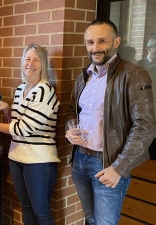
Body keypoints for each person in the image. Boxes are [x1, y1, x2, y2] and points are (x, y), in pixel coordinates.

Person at [65, 19, 155, 225]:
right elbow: (72, 111)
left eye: (101, 41)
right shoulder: (84, 76)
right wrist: (70, 130)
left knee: (105, 223)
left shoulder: (134, 75)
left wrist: (119, 168)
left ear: (116, 42)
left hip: (108, 164)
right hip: (80, 161)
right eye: (90, 42)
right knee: (89, 219)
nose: (95, 48)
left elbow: (145, 126)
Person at [0, 43, 60, 225]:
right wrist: (7, 109)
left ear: (43, 65)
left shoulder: (45, 91)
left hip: (39, 161)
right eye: (27, 59)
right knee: (27, 208)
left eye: (36, 60)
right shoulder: (21, 88)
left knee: (42, 212)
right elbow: (17, 122)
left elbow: (25, 129)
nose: (31, 63)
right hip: (17, 156)